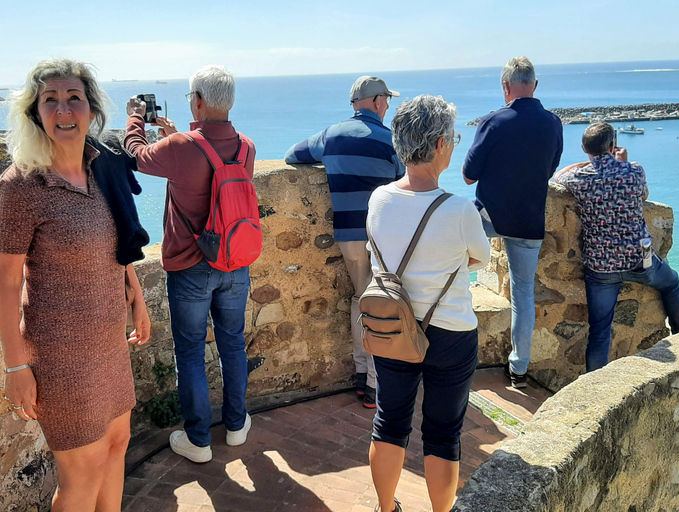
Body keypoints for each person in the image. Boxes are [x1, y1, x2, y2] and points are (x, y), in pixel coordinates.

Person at [0, 58, 151, 512]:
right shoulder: (21, 185)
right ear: (35, 113)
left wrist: (138, 299)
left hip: (109, 343)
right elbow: (6, 282)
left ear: (91, 109)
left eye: (74, 98)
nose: (63, 109)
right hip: (61, 356)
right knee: (81, 475)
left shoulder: (102, 169)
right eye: (50, 100)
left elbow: (120, 241)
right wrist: (15, 366)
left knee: (117, 446)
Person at [124, 65, 256, 463]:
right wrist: (176, 135)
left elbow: (136, 155)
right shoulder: (247, 147)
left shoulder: (181, 147)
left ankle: (198, 440)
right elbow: (210, 170)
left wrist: (135, 118)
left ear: (197, 100)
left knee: (191, 351)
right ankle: (236, 425)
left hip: (190, 265)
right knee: (233, 343)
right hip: (234, 260)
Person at [367, 95, 490, 512]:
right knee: (443, 433)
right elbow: (478, 259)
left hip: (392, 326)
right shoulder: (460, 210)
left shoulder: (379, 199)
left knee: (389, 422)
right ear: (440, 145)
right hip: (450, 332)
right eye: (452, 139)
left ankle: (387, 508)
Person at [285, 76, 405, 408]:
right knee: (382, 305)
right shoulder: (391, 140)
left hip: (349, 237)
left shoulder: (332, 135)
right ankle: (375, 383)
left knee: (360, 299)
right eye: (387, 100)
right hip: (382, 237)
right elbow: (405, 183)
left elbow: (292, 156)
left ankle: (361, 372)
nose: (387, 106)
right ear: (378, 101)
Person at [462, 56, 563, 389]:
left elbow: (468, 176)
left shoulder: (493, 122)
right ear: (535, 85)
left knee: (451, 266)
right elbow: (549, 170)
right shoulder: (554, 123)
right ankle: (519, 369)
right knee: (523, 294)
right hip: (529, 221)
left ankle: (451, 351)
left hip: (489, 216)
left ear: (505, 87)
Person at [553, 122, 679, 372]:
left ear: (584, 148)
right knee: (671, 283)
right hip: (640, 259)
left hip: (601, 267)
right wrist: (621, 162)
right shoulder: (633, 170)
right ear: (613, 146)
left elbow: (558, 176)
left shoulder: (579, 178)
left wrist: (589, 162)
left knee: (600, 331)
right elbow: (644, 196)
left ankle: (596, 385)